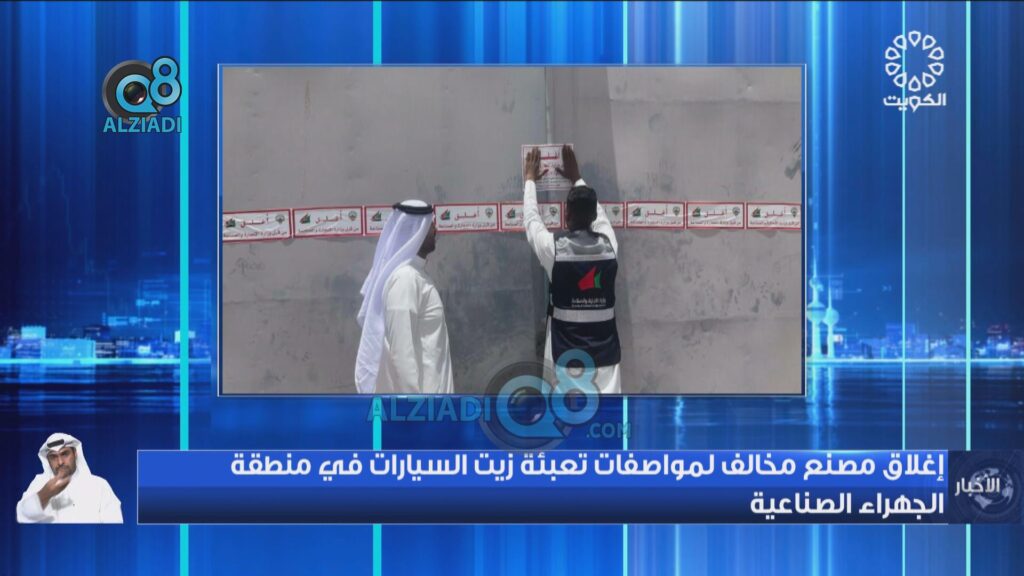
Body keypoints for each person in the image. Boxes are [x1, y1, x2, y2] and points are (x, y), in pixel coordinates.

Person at [523, 145, 622, 394]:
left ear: (566, 215)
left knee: (564, 416)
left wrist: (530, 181)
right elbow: (601, 218)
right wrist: (577, 177)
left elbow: (532, 222)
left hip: (565, 361)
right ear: (593, 216)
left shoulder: (554, 250)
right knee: (608, 416)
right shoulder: (610, 246)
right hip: (605, 361)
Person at [355, 200, 453, 394]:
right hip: (421, 407)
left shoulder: (416, 275)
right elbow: (401, 355)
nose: (436, 230)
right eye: (430, 224)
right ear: (415, 230)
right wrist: (413, 407)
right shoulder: (405, 279)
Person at [16, 432, 123, 524]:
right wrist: (45, 494)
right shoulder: (39, 483)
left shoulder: (99, 485)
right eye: (53, 457)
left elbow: (114, 526)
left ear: (75, 453)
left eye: (64, 454)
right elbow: (22, 515)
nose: (60, 462)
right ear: (48, 460)